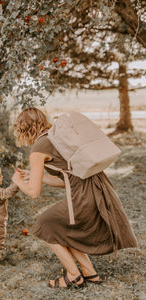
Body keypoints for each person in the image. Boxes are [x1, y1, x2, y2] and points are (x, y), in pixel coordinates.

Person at [12, 107, 138, 289]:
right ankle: (89, 273)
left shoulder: (38, 149)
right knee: (62, 227)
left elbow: (33, 192)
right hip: (96, 189)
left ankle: (73, 276)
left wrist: (18, 181)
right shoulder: (55, 137)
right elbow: (65, 180)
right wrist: (33, 174)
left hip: (84, 195)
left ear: (24, 128)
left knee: (44, 225)